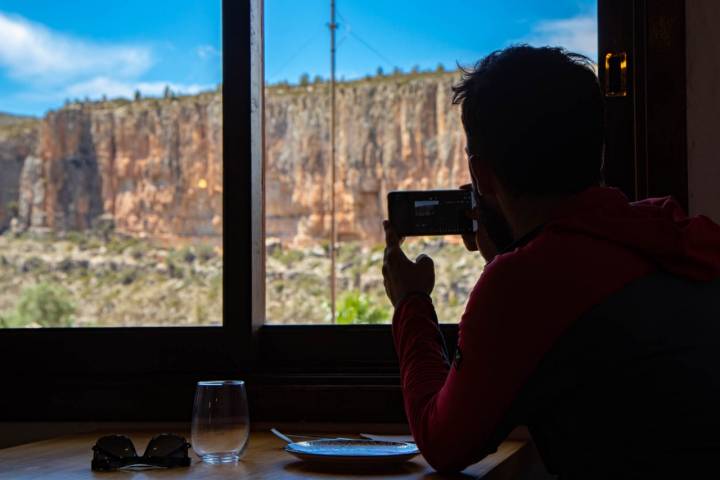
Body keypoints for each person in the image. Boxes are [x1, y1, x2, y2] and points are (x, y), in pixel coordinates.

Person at [381, 45, 720, 478]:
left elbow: (443, 441)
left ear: (481, 174)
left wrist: (410, 301)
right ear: (597, 153)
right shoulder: (674, 235)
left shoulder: (522, 285)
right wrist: (513, 254)